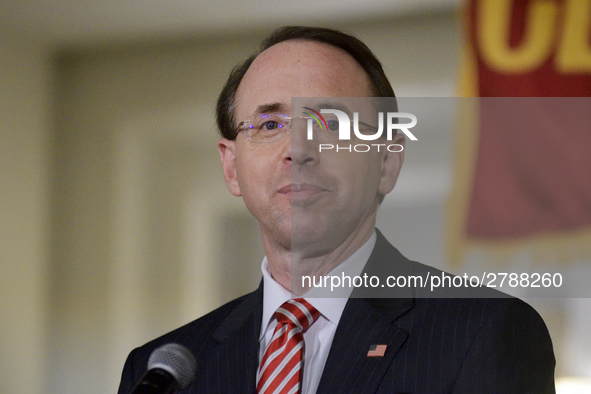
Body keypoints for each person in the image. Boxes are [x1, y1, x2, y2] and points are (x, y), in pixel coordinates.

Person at [118, 26, 555, 393]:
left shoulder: (487, 333)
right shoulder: (161, 373)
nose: (298, 150)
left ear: (386, 161)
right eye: (270, 125)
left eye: (330, 123)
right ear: (231, 167)